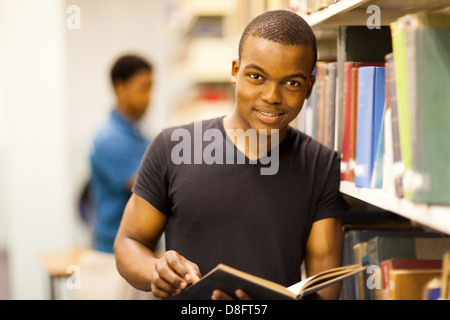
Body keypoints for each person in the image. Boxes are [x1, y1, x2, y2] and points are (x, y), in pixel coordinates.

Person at [114, 10, 348, 300]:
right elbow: (128, 241)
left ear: (310, 87)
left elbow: (325, 289)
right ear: (235, 71)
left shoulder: (320, 165)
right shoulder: (172, 147)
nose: (272, 96)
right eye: (256, 76)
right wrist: (155, 271)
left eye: (291, 83)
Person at [76, 54, 153, 299]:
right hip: (113, 257)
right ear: (120, 87)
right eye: (144, 88)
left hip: (139, 252)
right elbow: (150, 188)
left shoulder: (137, 134)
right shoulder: (109, 138)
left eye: (152, 88)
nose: (150, 97)